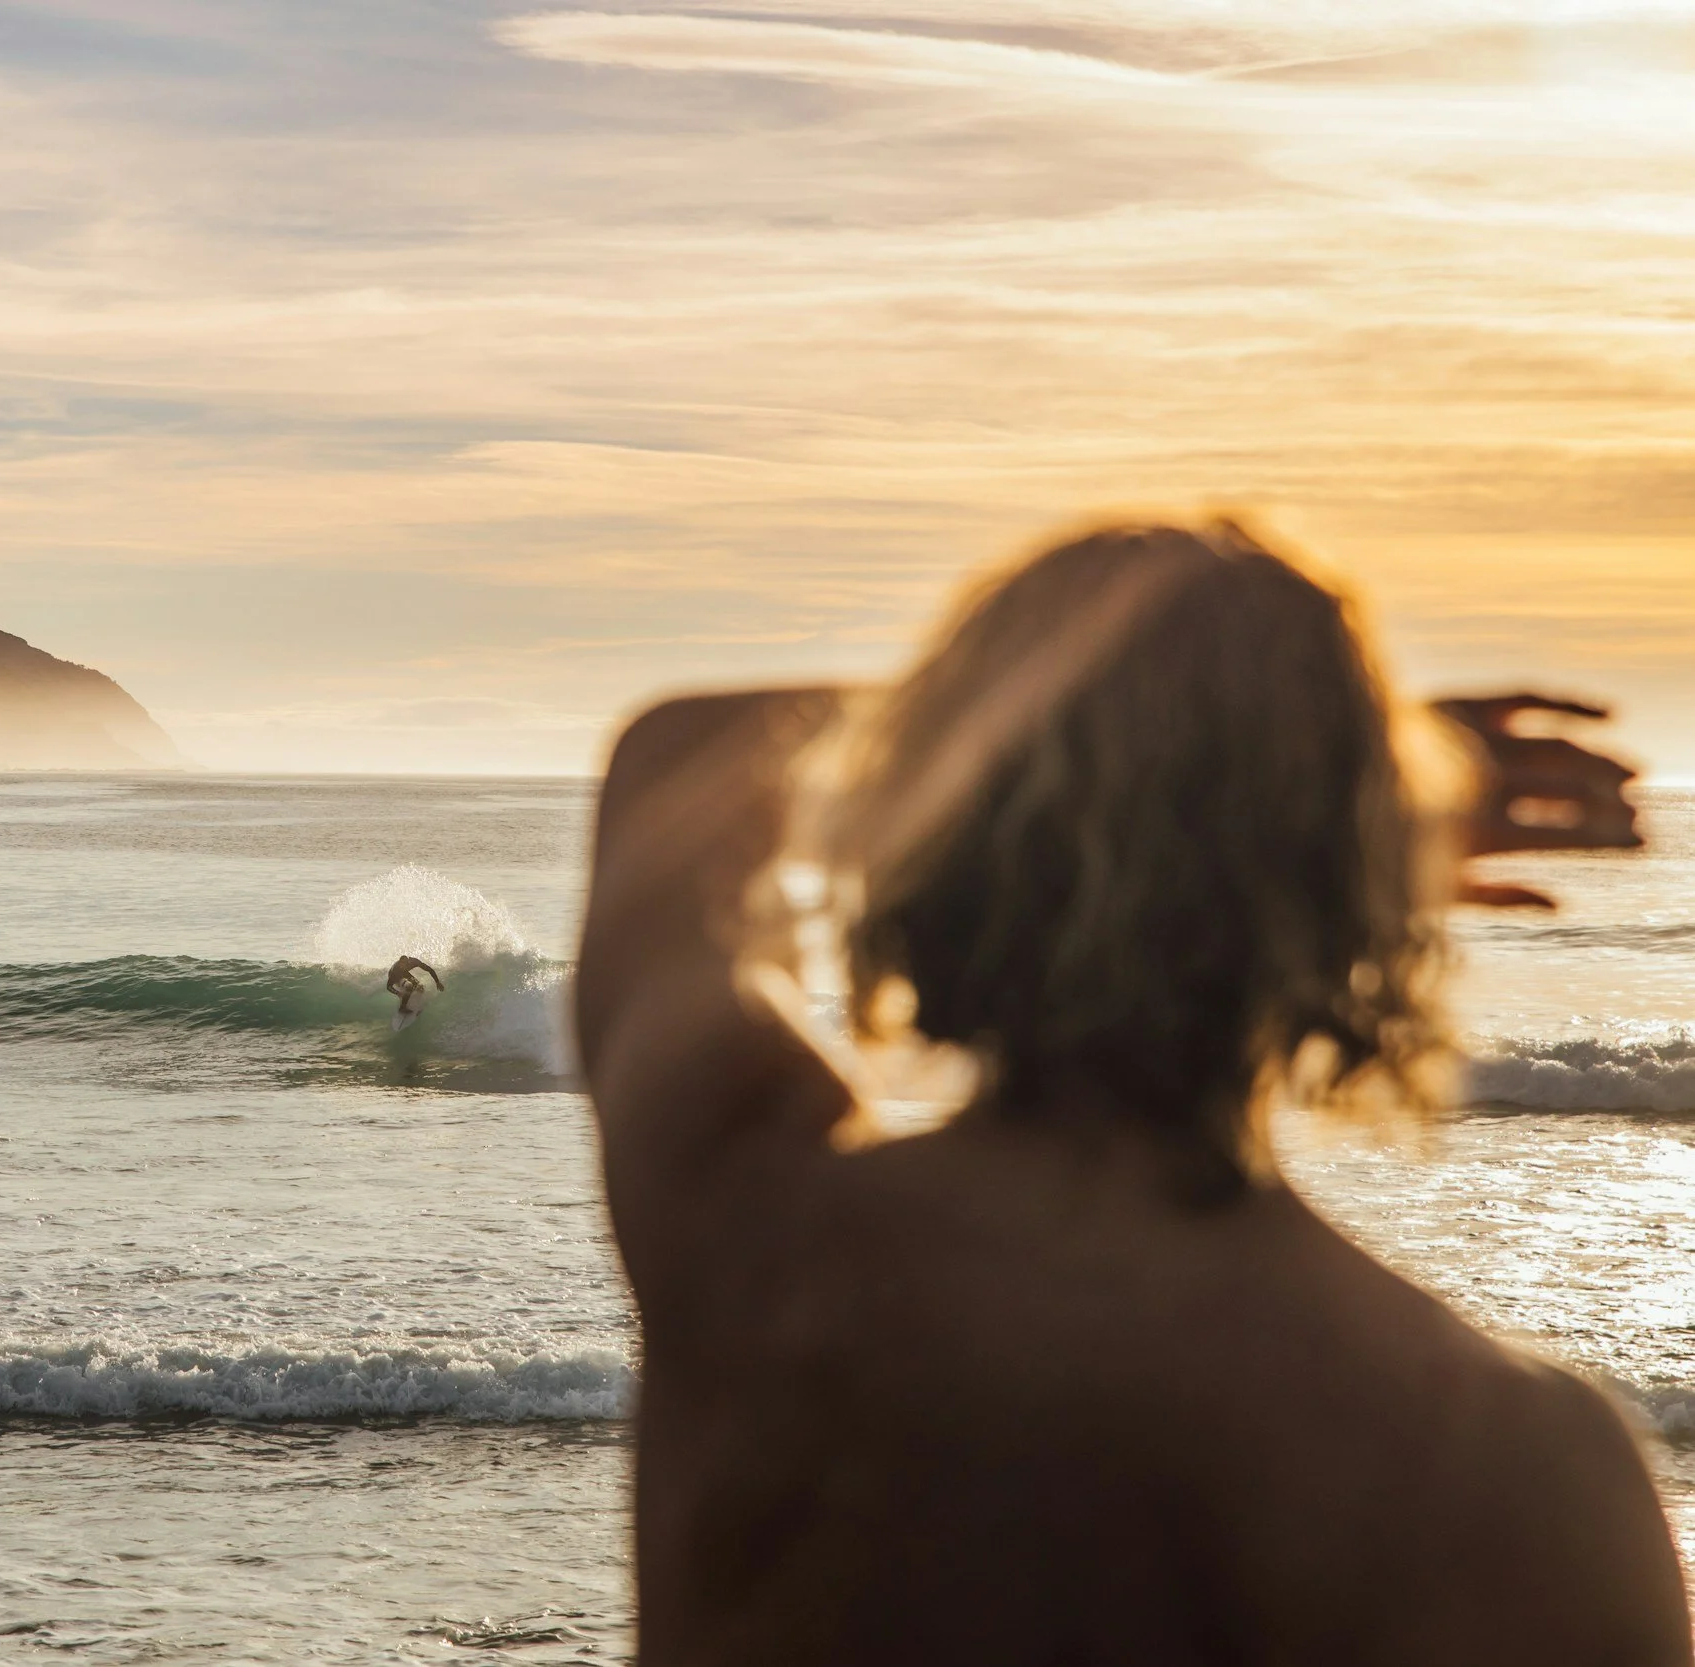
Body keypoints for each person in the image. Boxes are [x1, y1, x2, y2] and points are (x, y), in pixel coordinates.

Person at [575, 522, 1686, 1665]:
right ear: (1354, 885)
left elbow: (682, 755)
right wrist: (1323, 771)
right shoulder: (1490, 1449)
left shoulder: (748, 1218)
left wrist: (1100, 732)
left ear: (945, 836)